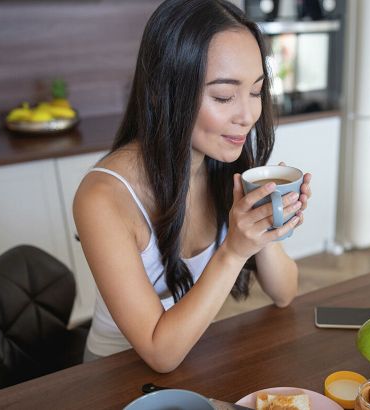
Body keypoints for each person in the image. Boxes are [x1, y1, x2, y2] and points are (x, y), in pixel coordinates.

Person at [73, 0, 312, 373]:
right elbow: (159, 353)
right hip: (117, 375)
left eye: (255, 91)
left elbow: (285, 293)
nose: (247, 115)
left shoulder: (222, 163)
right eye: (223, 96)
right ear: (163, 91)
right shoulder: (103, 198)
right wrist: (233, 251)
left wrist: (267, 222)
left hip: (197, 357)